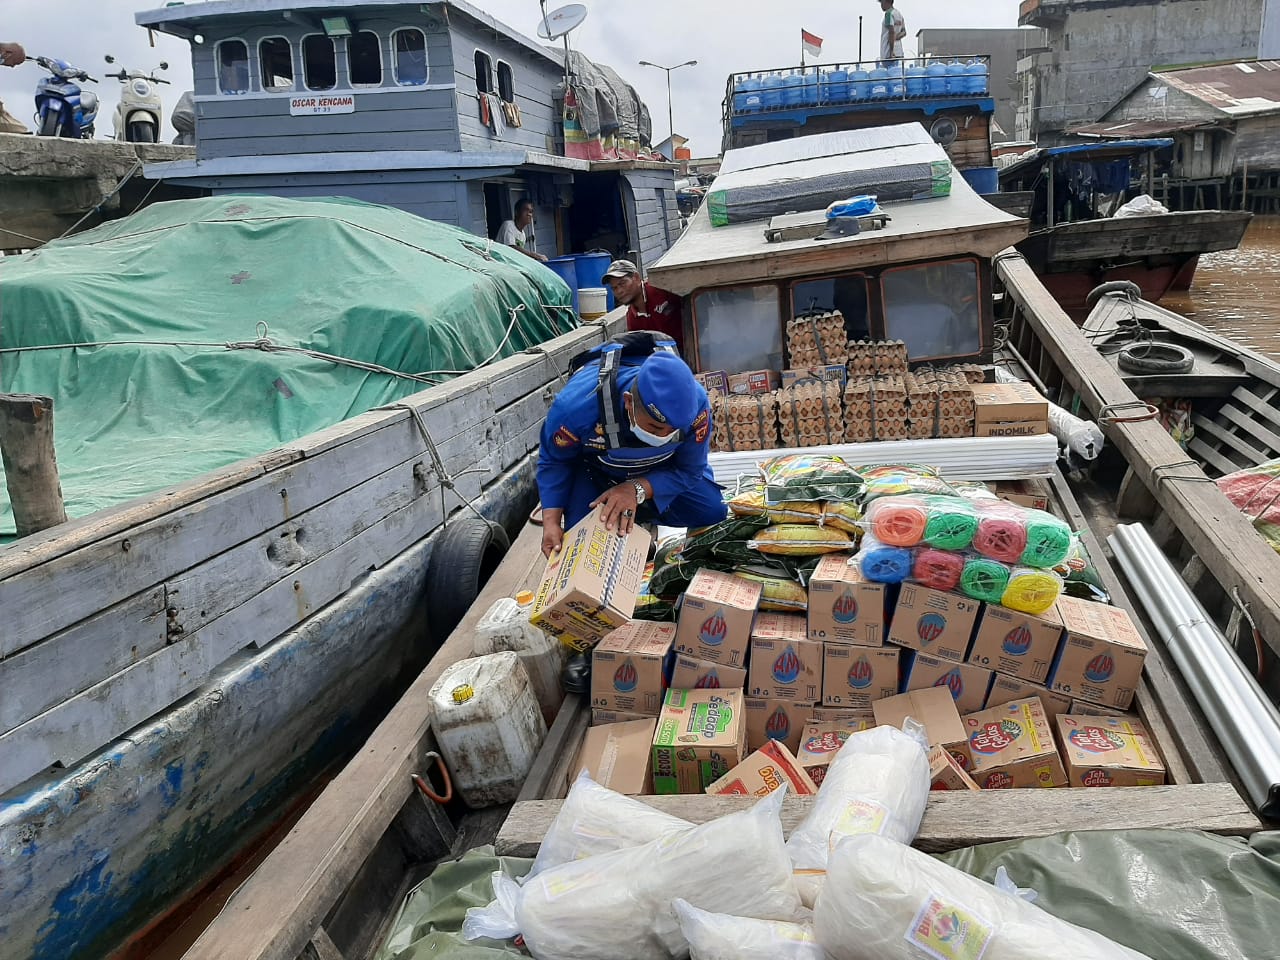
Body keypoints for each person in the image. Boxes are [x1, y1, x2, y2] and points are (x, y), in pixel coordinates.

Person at [536, 338, 724, 557]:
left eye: (673, 431)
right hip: (596, 473)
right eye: (655, 428)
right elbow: (555, 460)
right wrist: (551, 522)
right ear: (628, 402)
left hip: (660, 470)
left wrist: (636, 490)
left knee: (713, 511)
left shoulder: (697, 407)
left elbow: (690, 470)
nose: (664, 436)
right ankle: (624, 527)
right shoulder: (576, 407)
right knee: (580, 545)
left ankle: (639, 517)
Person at [603, 259, 686, 355]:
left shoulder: (661, 290)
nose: (619, 291)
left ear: (636, 278)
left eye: (622, 283)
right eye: (614, 288)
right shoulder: (632, 319)